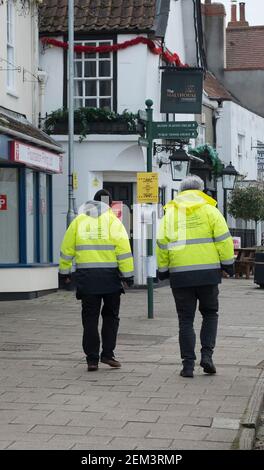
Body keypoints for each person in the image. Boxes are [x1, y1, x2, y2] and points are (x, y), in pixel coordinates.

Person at [157, 176, 234, 378]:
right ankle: (207, 356)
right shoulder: (210, 211)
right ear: (201, 190)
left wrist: (163, 269)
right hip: (208, 274)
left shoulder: (169, 215)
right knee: (210, 314)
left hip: (181, 276)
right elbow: (224, 240)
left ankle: (188, 365)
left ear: (180, 192)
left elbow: (162, 245)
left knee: (185, 321)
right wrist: (228, 264)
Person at [59, 189, 134, 371]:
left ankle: (92, 359)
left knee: (90, 318)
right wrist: (128, 275)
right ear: (107, 204)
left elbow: (67, 248)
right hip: (110, 279)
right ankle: (108, 354)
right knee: (111, 317)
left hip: (87, 278)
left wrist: (64, 273)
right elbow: (123, 249)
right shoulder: (113, 221)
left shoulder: (78, 221)